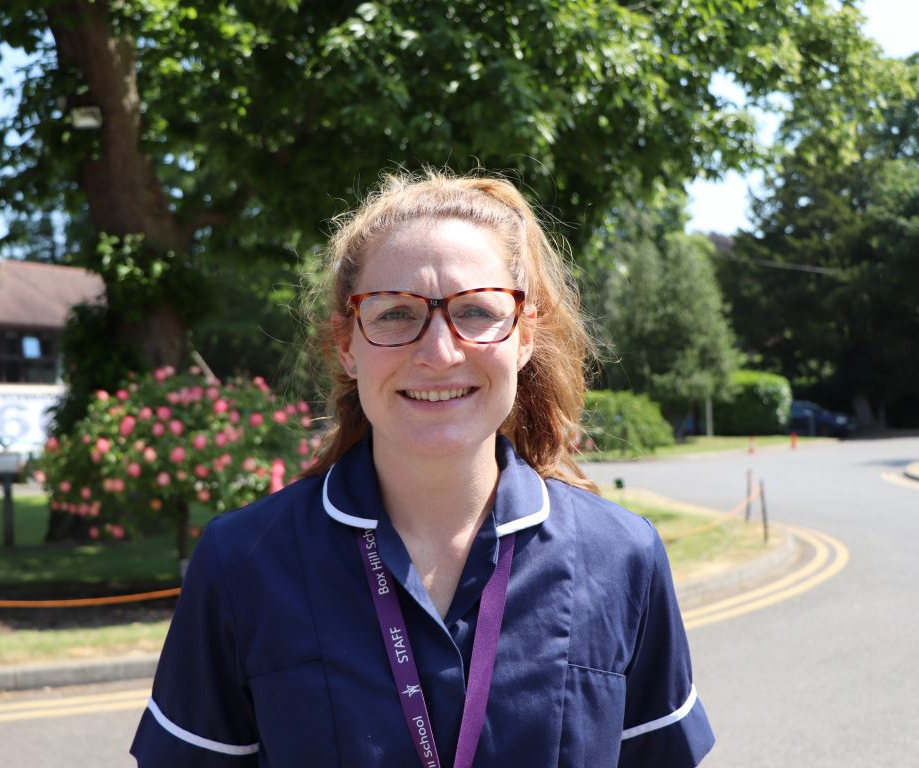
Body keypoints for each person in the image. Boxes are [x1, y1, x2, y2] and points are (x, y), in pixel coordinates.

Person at [130, 171, 715, 767]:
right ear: (347, 345)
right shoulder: (242, 563)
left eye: (477, 312)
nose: (438, 353)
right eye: (394, 315)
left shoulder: (623, 558)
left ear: (524, 336)